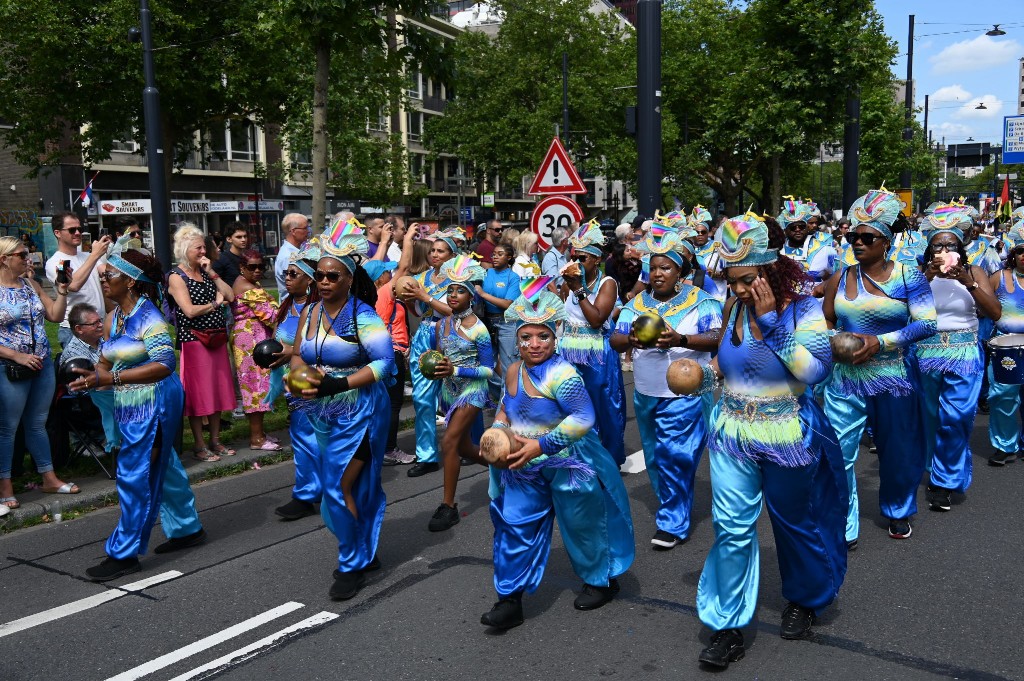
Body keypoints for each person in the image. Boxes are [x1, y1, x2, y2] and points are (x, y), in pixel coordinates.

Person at [694, 213, 847, 669]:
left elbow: (815, 372)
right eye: (733, 281)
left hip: (787, 432)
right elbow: (727, 364)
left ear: (771, 269)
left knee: (792, 521)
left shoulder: (803, 309)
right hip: (732, 432)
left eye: (747, 280)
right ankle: (729, 625)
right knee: (732, 528)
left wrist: (772, 320)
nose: (740, 289)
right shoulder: (732, 308)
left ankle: (803, 598)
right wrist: (697, 374)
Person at [480, 286, 634, 630]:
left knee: (583, 526)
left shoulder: (563, 374)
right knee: (513, 526)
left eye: (542, 336)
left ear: (555, 337)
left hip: (567, 463)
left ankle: (601, 580)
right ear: (517, 340)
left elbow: (582, 418)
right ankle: (509, 600)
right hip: (523, 465)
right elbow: (507, 405)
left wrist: (542, 445)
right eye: (526, 337)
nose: (534, 344)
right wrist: (498, 431)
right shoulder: (513, 370)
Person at [68, 243, 206, 581]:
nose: (103, 281)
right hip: (129, 400)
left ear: (129, 281)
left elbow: (164, 364)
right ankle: (187, 528)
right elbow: (106, 357)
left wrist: (109, 377)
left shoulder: (149, 317)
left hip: (156, 400)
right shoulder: (115, 318)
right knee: (165, 466)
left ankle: (124, 552)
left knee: (135, 474)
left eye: (109, 275)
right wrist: (91, 377)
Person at [821, 188, 938, 544]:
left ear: (884, 242)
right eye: (853, 236)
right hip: (845, 377)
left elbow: (927, 324)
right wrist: (833, 343)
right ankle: (844, 520)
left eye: (866, 238)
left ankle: (899, 509)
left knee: (896, 449)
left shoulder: (908, 275)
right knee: (838, 451)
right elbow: (825, 319)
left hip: (892, 375)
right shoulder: (841, 276)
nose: (857, 242)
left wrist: (880, 341)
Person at [288, 217, 395, 600]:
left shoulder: (362, 316)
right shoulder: (311, 313)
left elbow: (385, 364)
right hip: (321, 411)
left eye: (333, 276)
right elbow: (300, 354)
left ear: (349, 278)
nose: (324, 282)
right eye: (320, 276)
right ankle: (365, 548)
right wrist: (298, 378)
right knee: (348, 487)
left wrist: (338, 383)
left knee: (336, 487)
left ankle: (351, 563)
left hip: (362, 411)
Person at [610, 231, 722, 549]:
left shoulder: (701, 300)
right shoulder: (636, 304)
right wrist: (633, 339)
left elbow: (717, 336)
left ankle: (672, 520)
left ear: (681, 272)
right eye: (654, 267)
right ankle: (675, 502)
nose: (658, 274)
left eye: (666, 268)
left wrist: (681, 340)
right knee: (658, 458)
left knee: (676, 455)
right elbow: (615, 339)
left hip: (684, 394)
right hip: (646, 393)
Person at [918, 206, 1000, 512]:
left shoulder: (975, 271)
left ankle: (945, 481)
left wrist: (968, 281)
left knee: (955, 418)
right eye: (937, 245)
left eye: (950, 245)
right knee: (930, 417)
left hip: (963, 352)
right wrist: (925, 276)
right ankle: (934, 465)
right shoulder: (918, 273)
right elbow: (902, 310)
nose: (944, 250)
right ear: (929, 248)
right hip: (926, 353)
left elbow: (994, 313)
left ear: (960, 247)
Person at [0, 236, 80, 508]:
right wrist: (17, 356)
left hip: (41, 364)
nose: (28, 259)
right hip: (10, 367)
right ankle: (5, 485)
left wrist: (62, 290)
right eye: (22, 255)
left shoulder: (30, 285)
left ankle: (48, 477)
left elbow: (56, 317)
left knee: (38, 422)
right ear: (4, 259)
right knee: (8, 428)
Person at [426, 255, 493, 532]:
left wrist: (456, 371)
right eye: (450, 290)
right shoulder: (440, 325)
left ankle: (448, 505)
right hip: (450, 392)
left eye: (460, 290)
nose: (453, 295)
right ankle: (506, 466)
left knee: (450, 443)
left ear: (471, 295)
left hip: (473, 390)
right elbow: (438, 357)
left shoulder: (479, 329)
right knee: (464, 447)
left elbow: (490, 370)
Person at [558, 221, 626, 466]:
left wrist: (578, 290)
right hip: (569, 352)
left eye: (583, 258)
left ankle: (605, 459)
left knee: (602, 405)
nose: (577, 263)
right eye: (575, 257)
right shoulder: (568, 283)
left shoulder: (606, 283)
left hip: (597, 354)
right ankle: (579, 457)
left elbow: (597, 319)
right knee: (572, 405)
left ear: (596, 260)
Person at [167, 224, 237, 461]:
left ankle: (215, 440)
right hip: (195, 341)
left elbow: (230, 296)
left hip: (216, 338)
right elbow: (188, 311)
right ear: (186, 249)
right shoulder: (177, 276)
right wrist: (215, 304)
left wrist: (214, 274)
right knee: (198, 394)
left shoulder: (207, 271)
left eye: (204, 247)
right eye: (199, 247)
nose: (203, 251)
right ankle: (199, 444)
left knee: (216, 390)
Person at [397, 227, 462, 477]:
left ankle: (460, 446)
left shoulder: (457, 279)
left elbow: (456, 312)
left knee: (456, 395)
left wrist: (425, 297)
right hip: (425, 335)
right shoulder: (422, 277)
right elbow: (417, 311)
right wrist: (409, 299)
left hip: (450, 334)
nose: (435, 254)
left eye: (441, 251)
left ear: (451, 255)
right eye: (433, 250)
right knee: (423, 398)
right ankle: (427, 455)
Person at [272, 243, 322, 520]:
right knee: (305, 438)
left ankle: (307, 494)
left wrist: (288, 352)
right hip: (292, 381)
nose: (287, 278)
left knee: (307, 438)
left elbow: (318, 346)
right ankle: (319, 488)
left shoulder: (317, 309)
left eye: (293, 274)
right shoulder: (288, 305)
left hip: (313, 381)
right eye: (287, 274)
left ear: (308, 280)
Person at [371, 229, 414, 466]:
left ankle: (378, 447)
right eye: (388, 271)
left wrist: (385, 243)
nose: (392, 274)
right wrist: (406, 241)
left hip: (381, 352)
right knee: (393, 405)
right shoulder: (383, 295)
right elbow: (405, 267)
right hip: (391, 354)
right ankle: (390, 449)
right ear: (381, 279)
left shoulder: (370, 294)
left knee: (380, 404)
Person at [231, 249, 282, 451]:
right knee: (255, 388)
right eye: (252, 267)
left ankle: (259, 433)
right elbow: (271, 316)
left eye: (262, 266)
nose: (258, 270)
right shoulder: (248, 288)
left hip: (252, 339)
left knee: (258, 387)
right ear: (242, 268)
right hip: (250, 341)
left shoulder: (249, 283)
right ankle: (256, 439)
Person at [44, 211, 111, 349]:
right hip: (75, 330)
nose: (77, 233)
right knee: (83, 369)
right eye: (71, 230)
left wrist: (117, 252)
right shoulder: (56, 261)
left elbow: (107, 272)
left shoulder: (87, 256)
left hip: (99, 325)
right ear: (57, 233)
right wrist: (95, 255)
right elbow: (73, 285)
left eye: (79, 229)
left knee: (103, 369)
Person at [60, 303, 120, 455]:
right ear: (79, 329)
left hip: (111, 390)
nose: (101, 325)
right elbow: (94, 383)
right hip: (87, 404)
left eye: (100, 320)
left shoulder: (104, 341)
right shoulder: (74, 355)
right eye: (95, 323)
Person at [986, 237, 1024, 465]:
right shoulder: (999, 277)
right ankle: (1005, 444)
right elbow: (980, 303)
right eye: (1020, 251)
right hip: (1006, 346)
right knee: (1003, 396)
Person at [476, 243, 520, 401]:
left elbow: (508, 304)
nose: (494, 257)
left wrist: (483, 294)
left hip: (506, 322)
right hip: (486, 322)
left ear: (509, 258)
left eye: (499, 254)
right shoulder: (486, 273)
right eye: (493, 254)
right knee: (487, 367)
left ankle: (510, 402)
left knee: (509, 365)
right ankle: (504, 397)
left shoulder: (513, 277)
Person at [275, 213, 311, 297]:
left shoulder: (296, 251)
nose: (308, 231)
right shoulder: (288, 257)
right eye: (305, 228)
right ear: (293, 231)